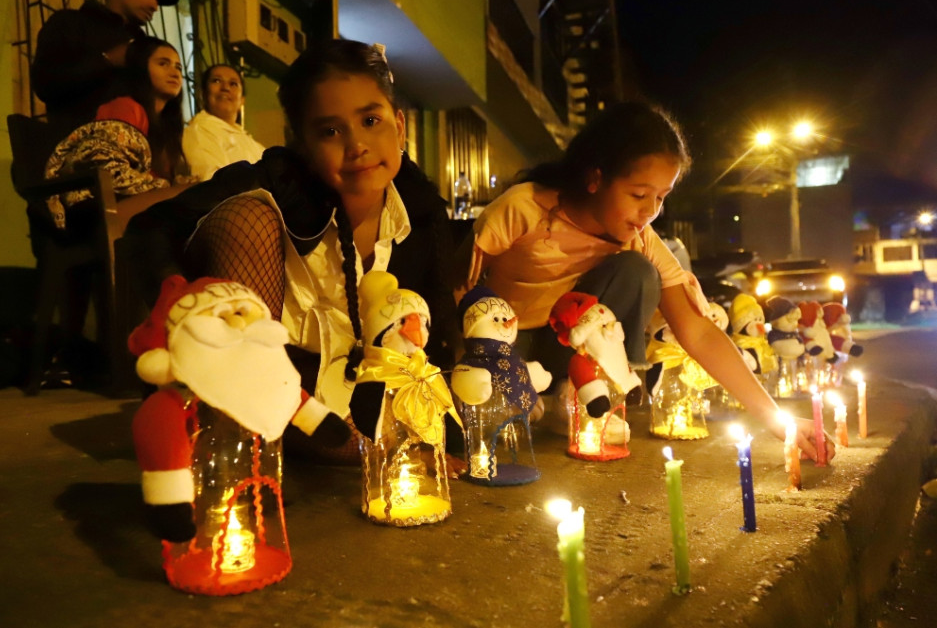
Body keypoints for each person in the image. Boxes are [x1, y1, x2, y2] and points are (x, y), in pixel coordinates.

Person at [124, 39, 458, 460]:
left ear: (399, 124)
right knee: (246, 215)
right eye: (331, 131)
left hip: (360, 405)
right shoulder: (275, 179)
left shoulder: (422, 210)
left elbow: (440, 326)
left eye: (371, 120)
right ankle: (242, 437)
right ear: (301, 142)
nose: (357, 145)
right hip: (276, 387)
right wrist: (177, 302)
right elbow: (149, 228)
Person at [462, 100, 835, 462]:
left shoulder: (639, 237)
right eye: (639, 194)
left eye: (661, 196)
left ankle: (581, 399)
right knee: (491, 422)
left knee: (637, 272)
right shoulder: (523, 209)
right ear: (595, 178)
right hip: (505, 348)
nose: (650, 211)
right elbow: (459, 291)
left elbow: (699, 331)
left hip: (569, 346)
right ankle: (521, 398)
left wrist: (777, 419)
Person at [45, 37, 198, 231]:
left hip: (142, 207)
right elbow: (111, 172)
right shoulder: (126, 107)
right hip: (101, 206)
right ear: (141, 69)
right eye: (163, 63)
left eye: (178, 67)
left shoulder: (167, 128)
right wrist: (168, 187)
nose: (174, 72)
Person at [31, 0, 179, 134]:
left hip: (138, 150)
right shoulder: (71, 24)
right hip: (79, 147)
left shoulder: (144, 44)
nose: (155, 5)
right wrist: (108, 60)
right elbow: (45, 83)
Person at [182, 64, 267, 181]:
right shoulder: (197, 133)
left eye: (233, 84)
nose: (225, 88)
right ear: (203, 94)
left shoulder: (254, 145)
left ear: (242, 100)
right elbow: (212, 185)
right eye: (216, 81)